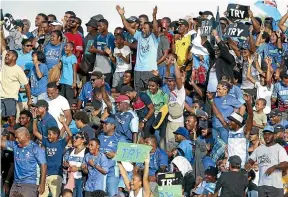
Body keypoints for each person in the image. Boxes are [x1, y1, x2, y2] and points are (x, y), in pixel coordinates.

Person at [116, 5, 159, 91]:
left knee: (150, 92)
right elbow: (128, 27)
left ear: (150, 29)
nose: (142, 30)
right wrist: (122, 15)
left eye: (145, 28)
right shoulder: (139, 35)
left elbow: (156, 29)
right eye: (142, 28)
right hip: (138, 69)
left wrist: (154, 16)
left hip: (150, 70)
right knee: (138, 92)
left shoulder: (154, 37)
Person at [33, 115, 72, 197]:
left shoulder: (61, 143)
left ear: (57, 135)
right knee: (41, 195)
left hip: (56, 174)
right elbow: (35, 132)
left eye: (50, 134)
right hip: (45, 174)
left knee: (55, 195)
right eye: (48, 134)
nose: (49, 136)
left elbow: (70, 135)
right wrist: (34, 119)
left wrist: (63, 122)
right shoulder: (46, 141)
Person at [1, 127, 47, 197]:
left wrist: (42, 183)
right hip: (16, 183)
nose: (16, 140)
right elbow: (1, 143)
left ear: (26, 136)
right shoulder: (15, 145)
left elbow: (44, 165)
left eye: (18, 138)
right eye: (15, 137)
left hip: (29, 184)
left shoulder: (35, 148)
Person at [246, 126, 288, 197]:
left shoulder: (279, 149)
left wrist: (274, 167)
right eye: (265, 134)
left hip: (276, 186)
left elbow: (286, 164)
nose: (267, 136)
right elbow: (250, 162)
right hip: (262, 185)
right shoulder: (259, 149)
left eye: (269, 134)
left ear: (274, 135)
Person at [1, 50, 32, 127]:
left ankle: (13, 136)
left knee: (11, 119)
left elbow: (27, 85)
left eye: (9, 55)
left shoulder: (18, 70)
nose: (6, 56)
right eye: (6, 55)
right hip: (0, 97)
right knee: (2, 119)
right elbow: (3, 47)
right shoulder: (4, 64)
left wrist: (29, 99)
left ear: (14, 57)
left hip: (10, 98)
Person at [98, 116, 125, 197]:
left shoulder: (120, 138)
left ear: (113, 126)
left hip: (112, 171)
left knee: (112, 194)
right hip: (99, 170)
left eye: (106, 124)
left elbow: (126, 157)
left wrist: (115, 155)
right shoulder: (100, 137)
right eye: (103, 124)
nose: (104, 126)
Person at [63, 132, 89, 197]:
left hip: (80, 181)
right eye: (74, 137)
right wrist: (66, 165)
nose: (74, 139)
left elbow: (90, 168)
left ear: (83, 140)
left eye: (77, 138)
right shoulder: (69, 150)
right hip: (69, 179)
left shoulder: (87, 152)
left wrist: (78, 168)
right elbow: (64, 163)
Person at [90, 19, 115, 84]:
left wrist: (95, 50)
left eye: (100, 26)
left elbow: (109, 53)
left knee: (105, 87)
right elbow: (92, 48)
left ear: (106, 26)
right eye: (98, 26)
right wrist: (91, 50)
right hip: (97, 67)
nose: (98, 28)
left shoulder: (110, 37)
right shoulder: (98, 37)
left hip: (106, 68)